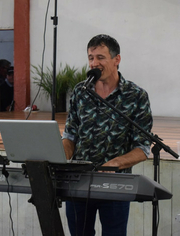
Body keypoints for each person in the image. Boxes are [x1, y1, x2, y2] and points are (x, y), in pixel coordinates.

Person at [62, 34, 153, 236]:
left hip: (115, 184)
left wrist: (112, 165)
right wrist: (59, 157)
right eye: (91, 58)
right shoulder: (80, 91)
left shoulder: (136, 96)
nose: (94, 63)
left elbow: (143, 148)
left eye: (100, 57)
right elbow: (70, 134)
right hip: (78, 181)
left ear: (116, 60)